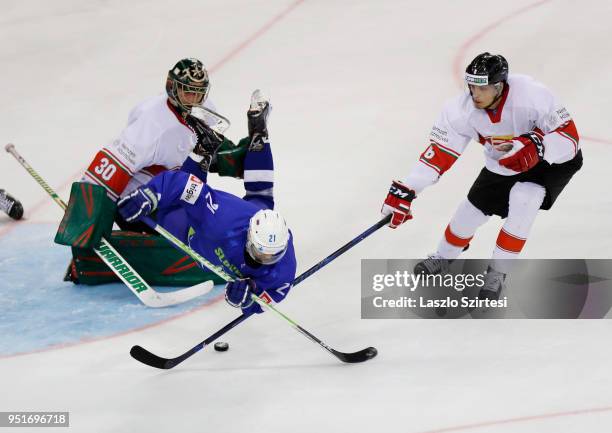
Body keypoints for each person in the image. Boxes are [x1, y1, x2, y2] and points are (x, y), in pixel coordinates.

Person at [381, 52, 582, 300]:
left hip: (550, 162)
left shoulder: (532, 94)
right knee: (469, 214)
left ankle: (497, 274)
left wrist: (540, 147)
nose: (475, 94)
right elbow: (440, 155)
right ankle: (443, 258)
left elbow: (571, 140)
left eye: (482, 88)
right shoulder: (459, 111)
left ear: (499, 86)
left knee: (524, 199)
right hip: (503, 162)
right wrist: (408, 189)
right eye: (472, 86)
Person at [116, 115, 296, 314]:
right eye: (261, 251)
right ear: (249, 239)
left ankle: (259, 136)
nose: (264, 258)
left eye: (272, 255)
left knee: (261, 198)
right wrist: (151, 195)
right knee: (169, 211)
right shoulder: (222, 219)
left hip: (233, 225)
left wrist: (248, 300)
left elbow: (270, 297)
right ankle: (202, 150)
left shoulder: (284, 267)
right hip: (192, 230)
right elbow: (185, 185)